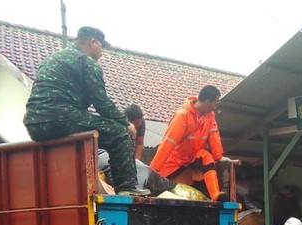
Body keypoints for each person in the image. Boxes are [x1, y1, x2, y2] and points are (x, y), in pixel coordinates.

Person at [23, 26, 145, 196]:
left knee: (86, 128)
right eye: (101, 46)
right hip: (61, 117)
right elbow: (102, 104)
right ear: (92, 42)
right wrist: (125, 123)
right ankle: (126, 188)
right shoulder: (86, 62)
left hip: (34, 123)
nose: (102, 52)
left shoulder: (54, 58)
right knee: (120, 133)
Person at [149, 85, 228, 201]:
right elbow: (168, 144)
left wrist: (219, 157)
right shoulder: (182, 116)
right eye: (215, 104)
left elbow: (214, 137)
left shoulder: (210, 117)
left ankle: (216, 194)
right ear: (208, 102)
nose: (215, 107)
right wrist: (153, 171)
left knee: (206, 156)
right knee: (156, 184)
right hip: (176, 159)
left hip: (193, 157)